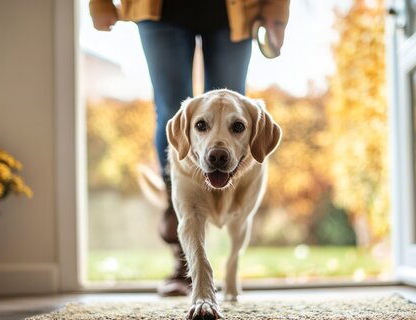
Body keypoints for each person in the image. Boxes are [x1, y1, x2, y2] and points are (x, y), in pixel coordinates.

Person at [89, 0, 290, 296]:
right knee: (171, 109)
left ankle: (232, 217)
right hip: (157, 7)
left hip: (234, 8)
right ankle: (183, 251)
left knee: (232, 107)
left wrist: (277, 9)